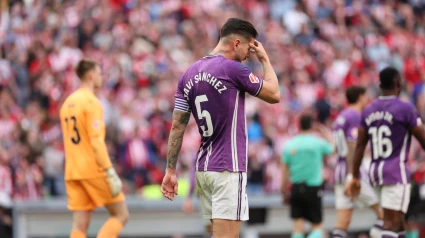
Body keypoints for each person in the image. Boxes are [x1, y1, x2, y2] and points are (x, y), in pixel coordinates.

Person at [160, 17, 280, 238]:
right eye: (248, 47)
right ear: (236, 43)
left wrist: (170, 170)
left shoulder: (188, 74)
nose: (248, 54)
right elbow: (274, 94)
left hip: (204, 169)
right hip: (228, 167)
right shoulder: (233, 69)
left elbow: (177, 126)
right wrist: (265, 59)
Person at [346, 67, 425, 238]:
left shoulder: (368, 110)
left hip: (376, 173)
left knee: (397, 223)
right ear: (398, 83)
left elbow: (360, 146)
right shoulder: (405, 108)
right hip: (396, 172)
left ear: (380, 85)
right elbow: (423, 138)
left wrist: (354, 176)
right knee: (390, 224)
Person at [60, 59, 129, 238]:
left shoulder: (67, 103)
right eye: (99, 73)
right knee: (121, 214)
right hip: (92, 167)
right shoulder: (91, 102)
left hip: (72, 170)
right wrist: (109, 171)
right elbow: (96, 141)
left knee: (79, 226)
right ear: (91, 75)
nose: (101, 77)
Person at [331, 86, 383, 238]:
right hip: (353, 174)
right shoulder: (354, 116)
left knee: (342, 224)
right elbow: (352, 145)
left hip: (339, 173)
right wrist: (351, 175)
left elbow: (337, 148)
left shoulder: (341, 116)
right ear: (360, 96)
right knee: (383, 213)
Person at [281, 114, 334, 238]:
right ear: (312, 126)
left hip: (296, 188)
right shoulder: (317, 143)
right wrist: (325, 133)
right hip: (313, 188)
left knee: (297, 228)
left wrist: (284, 191)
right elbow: (333, 149)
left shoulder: (290, 144)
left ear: (299, 126)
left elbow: (284, 172)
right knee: (317, 227)